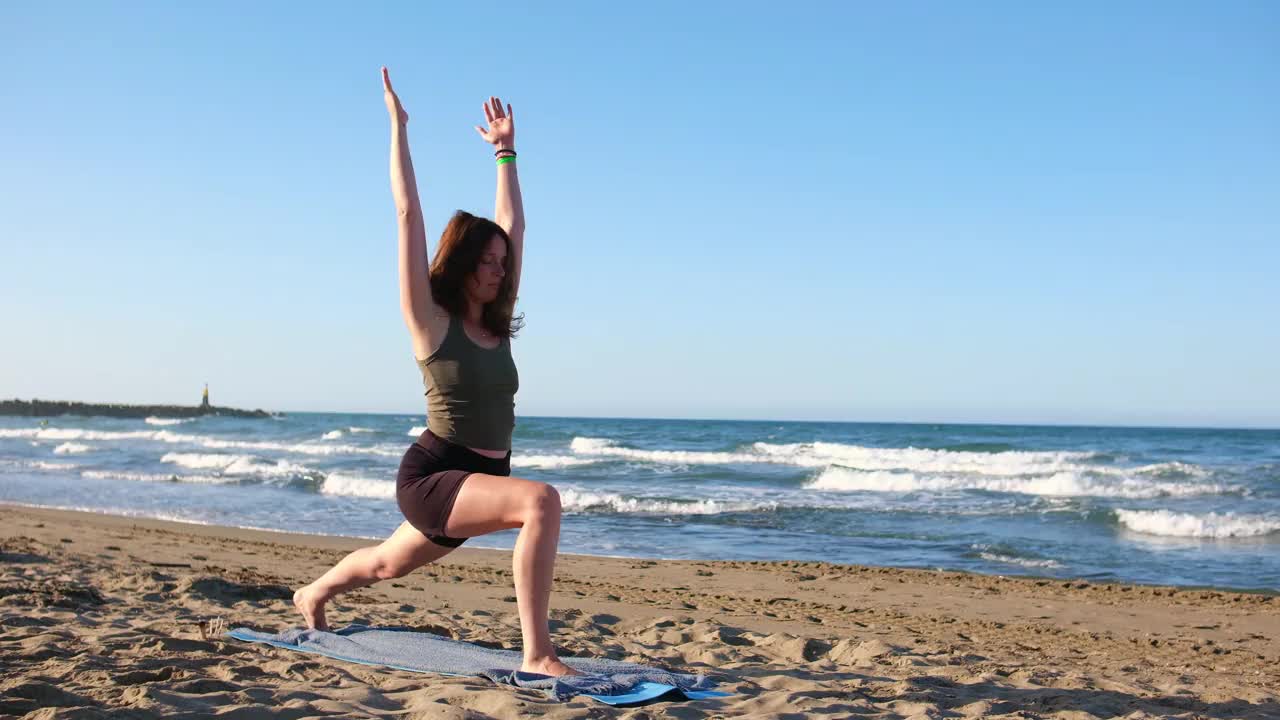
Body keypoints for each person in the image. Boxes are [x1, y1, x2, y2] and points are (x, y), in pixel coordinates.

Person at [294, 68, 577, 677]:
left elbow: (514, 225)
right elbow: (407, 212)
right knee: (541, 503)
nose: (502, 270)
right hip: (437, 473)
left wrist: (506, 153)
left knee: (384, 565)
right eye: (490, 262)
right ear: (464, 263)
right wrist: (398, 129)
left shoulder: (497, 321)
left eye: (505, 263)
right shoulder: (430, 319)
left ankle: (312, 594)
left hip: (482, 475)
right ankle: (538, 655)